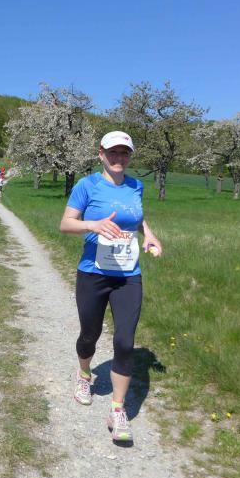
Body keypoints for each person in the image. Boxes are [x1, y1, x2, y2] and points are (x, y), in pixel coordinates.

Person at [59, 131, 162, 443]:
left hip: (128, 274)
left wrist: (149, 234)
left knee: (125, 341)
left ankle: (117, 410)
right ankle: (84, 374)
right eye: (113, 152)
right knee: (89, 334)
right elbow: (66, 223)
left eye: (124, 153)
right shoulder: (86, 185)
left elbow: (137, 218)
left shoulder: (136, 186)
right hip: (93, 273)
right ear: (101, 154)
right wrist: (93, 224)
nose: (119, 158)